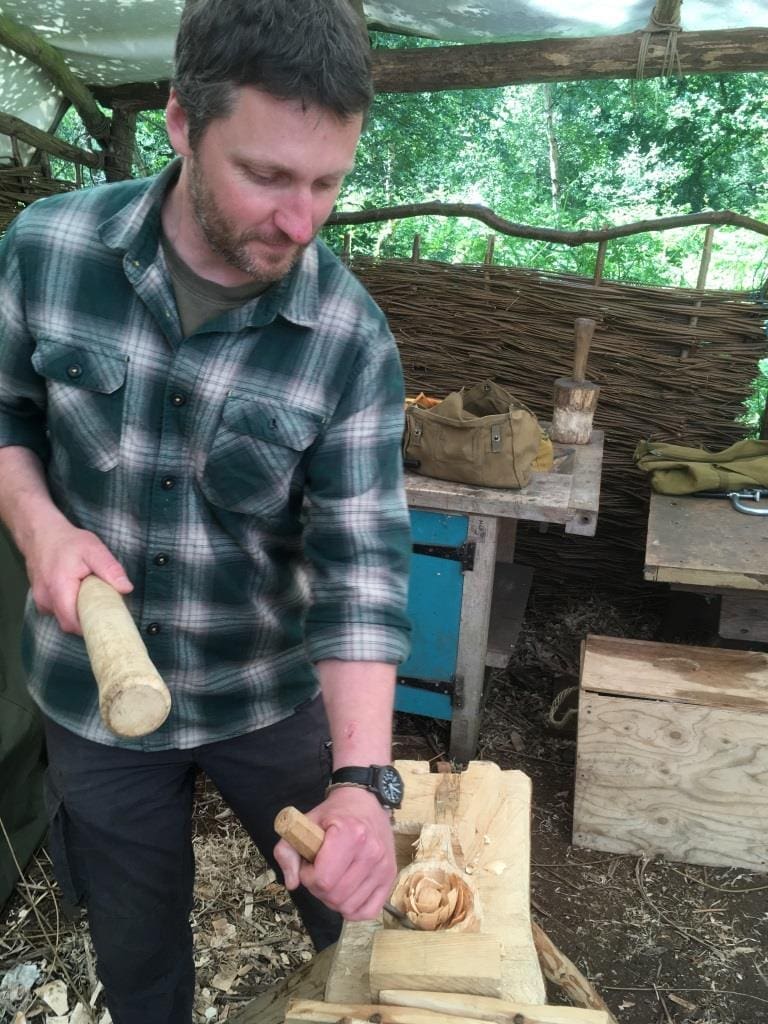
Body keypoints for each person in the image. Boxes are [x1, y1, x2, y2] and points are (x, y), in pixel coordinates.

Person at [0, 1, 412, 1020]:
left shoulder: (350, 339)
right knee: (136, 954)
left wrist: (364, 781)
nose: (302, 221)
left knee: (359, 922)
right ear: (183, 123)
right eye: (267, 175)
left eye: (327, 183)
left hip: (264, 693)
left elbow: (362, 566)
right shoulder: (48, 249)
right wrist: (40, 528)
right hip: (91, 700)